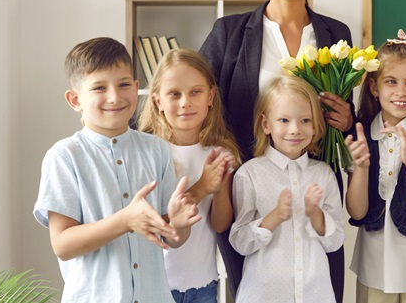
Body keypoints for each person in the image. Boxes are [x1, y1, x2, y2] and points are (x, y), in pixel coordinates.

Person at [198, 0, 352, 302]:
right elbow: (200, 96)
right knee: (250, 284)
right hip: (250, 183)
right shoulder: (229, 33)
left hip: (315, 180)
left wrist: (348, 120)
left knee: (321, 281)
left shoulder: (336, 34)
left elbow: (351, 115)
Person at [33, 37, 200, 302]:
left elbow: (171, 238)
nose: (115, 96)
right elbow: (62, 245)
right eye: (99, 87)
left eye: (124, 85)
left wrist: (178, 226)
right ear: (75, 99)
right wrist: (124, 221)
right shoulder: (64, 156)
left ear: (136, 88)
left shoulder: (156, 150)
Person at [344, 30, 406, 302]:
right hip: (373, 266)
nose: (401, 92)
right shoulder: (360, 135)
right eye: (391, 82)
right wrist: (362, 168)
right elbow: (356, 211)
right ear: (375, 88)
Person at [229, 75, 345, 303]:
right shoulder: (249, 174)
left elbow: (335, 242)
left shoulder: (323, 174)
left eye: (304, 120)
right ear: (266, 124)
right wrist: (274, 217)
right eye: (283, 120)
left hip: (315, 295)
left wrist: (316, 215)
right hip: (263, 295)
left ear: (315, 126)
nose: (295, 129)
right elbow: (240, 242)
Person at [138, 49, 241, 303]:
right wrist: (203, 186)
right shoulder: (148, 152)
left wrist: (219, 189)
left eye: (195, 92)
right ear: (158, 101)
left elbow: (219, 225)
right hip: (154, 287)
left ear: (211, 96)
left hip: (202, 284)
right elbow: (152, 224)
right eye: (174, 94)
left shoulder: (221, 152)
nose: (185, 102)